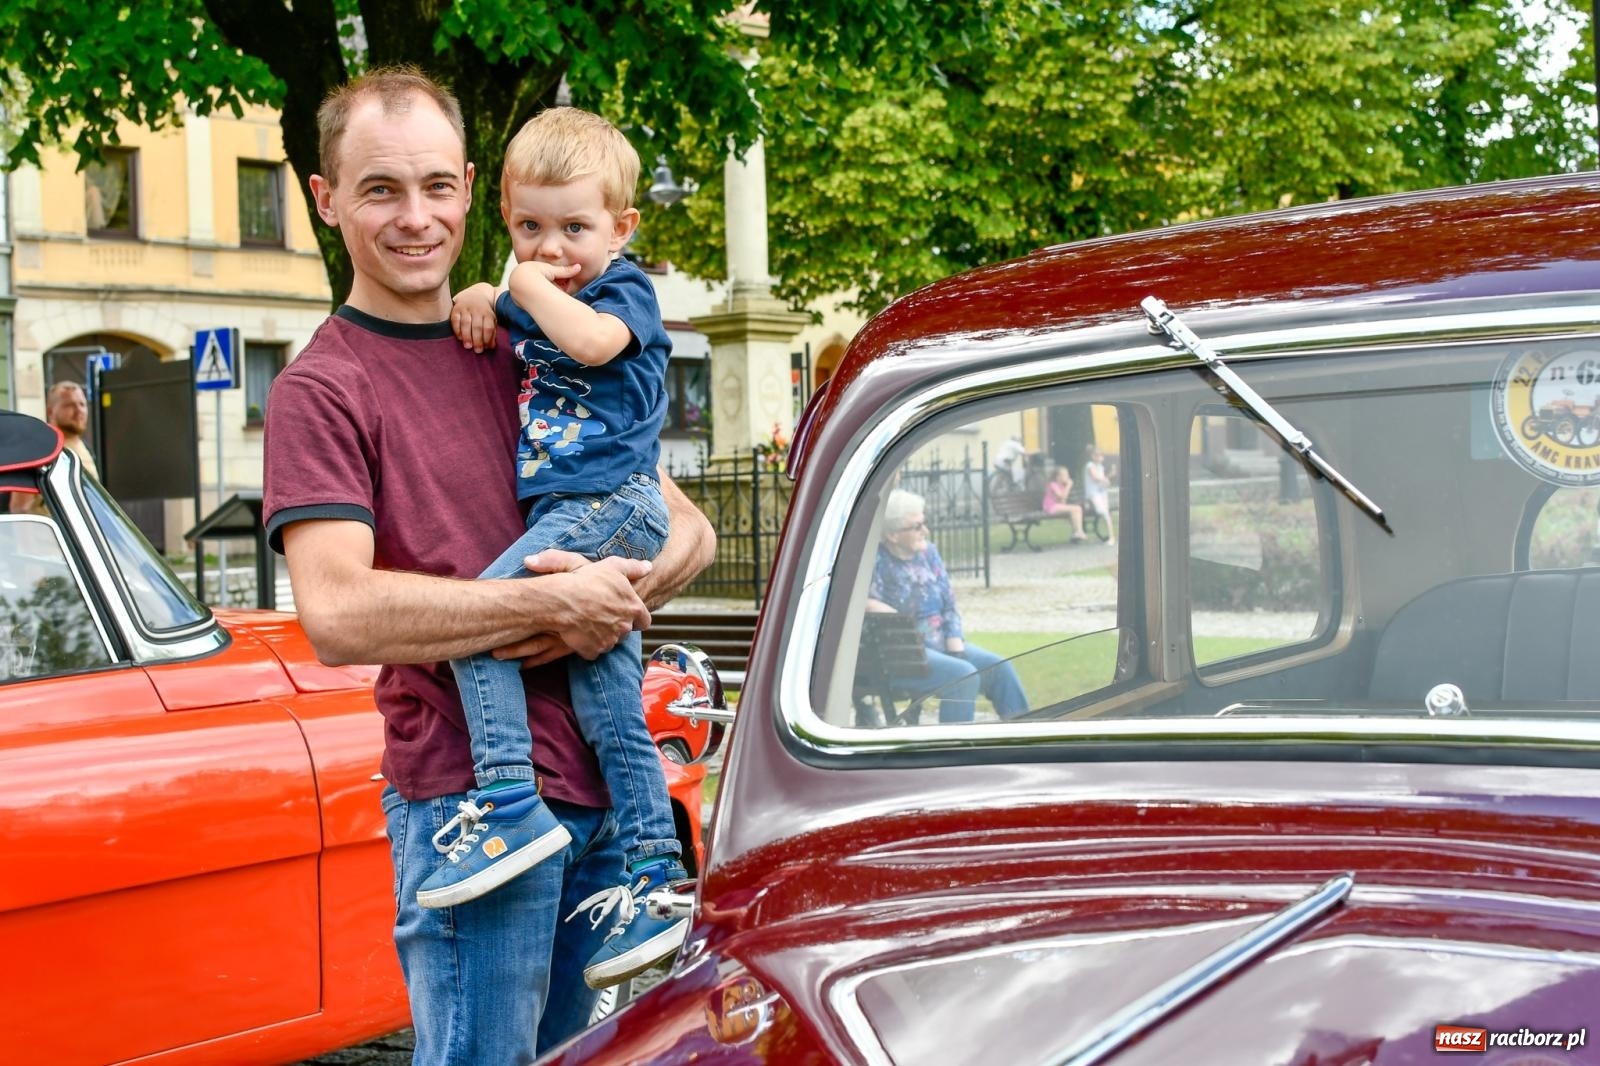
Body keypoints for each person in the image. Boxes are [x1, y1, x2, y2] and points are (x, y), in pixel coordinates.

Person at [262, 67, 714, 1066]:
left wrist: (621, 592)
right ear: (326, 199)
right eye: (379, 189)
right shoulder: (320, 388)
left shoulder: (524, 336)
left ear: (472, 190)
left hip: (603, 788)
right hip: (473, 804)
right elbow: (337, 609)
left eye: (434, 185)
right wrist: (556, 605)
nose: (415, 217)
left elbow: (689, 527)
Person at [415, 106, 684, 988]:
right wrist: (474, 298)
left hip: (605, 505)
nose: (553, 246)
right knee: (614, 713)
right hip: (576, 515)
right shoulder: (539, 291)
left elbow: (594, 343)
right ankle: (654, 873)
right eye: (530, 228)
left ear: (623, 228)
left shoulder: (621, 293)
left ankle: (506, 802)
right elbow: (495, 314)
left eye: (576, 227)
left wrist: (522, 287)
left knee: (474, 624)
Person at [867, 489, 1028, 722]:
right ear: (892, 535)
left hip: (942, 643)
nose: (926, 530)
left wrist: (955, 640)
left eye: (924, 523)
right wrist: (895, 618)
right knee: (963, 675)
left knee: (999, 668)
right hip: (902, 656)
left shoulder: (929, 553)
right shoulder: (876, 561)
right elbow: (866, 604)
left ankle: (1024, 738)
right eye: (917, 526)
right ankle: (954, 752)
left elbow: (948, 600)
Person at [12, 382, 99, 515]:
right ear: (50, 411)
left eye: (82, 404)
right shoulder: (38, 448)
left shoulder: (85, 449)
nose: (78, 410)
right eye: (69, 405)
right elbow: (20, 508)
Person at [1041, 465, 1088, 542]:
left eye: (1068, 475)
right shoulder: (1053, 484)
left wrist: (1066, 487)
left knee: (1076, 510)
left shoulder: (1062, 486)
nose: (1068, 477)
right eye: (1065, 475)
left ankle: (1077, 532)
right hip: (1050, 507)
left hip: (1057, 506)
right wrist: (1069, 485)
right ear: (1058, 477)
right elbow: (1062, 497)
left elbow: (1063, 501)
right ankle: (1078, 532)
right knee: (1076, 508)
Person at [1082, 445, 1116, 544]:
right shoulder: (1089, 466)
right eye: (1097, 455)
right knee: (1104, 512)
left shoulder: (1100, 467)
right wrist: (1106, 479)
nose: (1100, 458)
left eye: (1101, 456)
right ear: (1093, 456)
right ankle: (1111, 537)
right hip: (1093, 494)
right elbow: (1095, 478)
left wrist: (1110, 476)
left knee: (1106, 513)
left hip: (1101, 493)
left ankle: (1111, 537)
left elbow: (1102, 480)